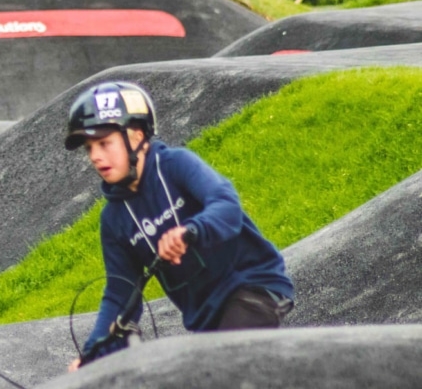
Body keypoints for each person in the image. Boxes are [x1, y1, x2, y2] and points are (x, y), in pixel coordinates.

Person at [64, 81, 293, 369]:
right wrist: (92, 357)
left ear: (135, 137)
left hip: (252, 286)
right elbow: (120, 295)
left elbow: (227, 205)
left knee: (225, 372)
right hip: (207, 321)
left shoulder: (176, 165)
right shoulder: (113, 219)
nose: (96, 156)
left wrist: (190, 231)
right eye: (89, 148)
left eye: (104, 143)